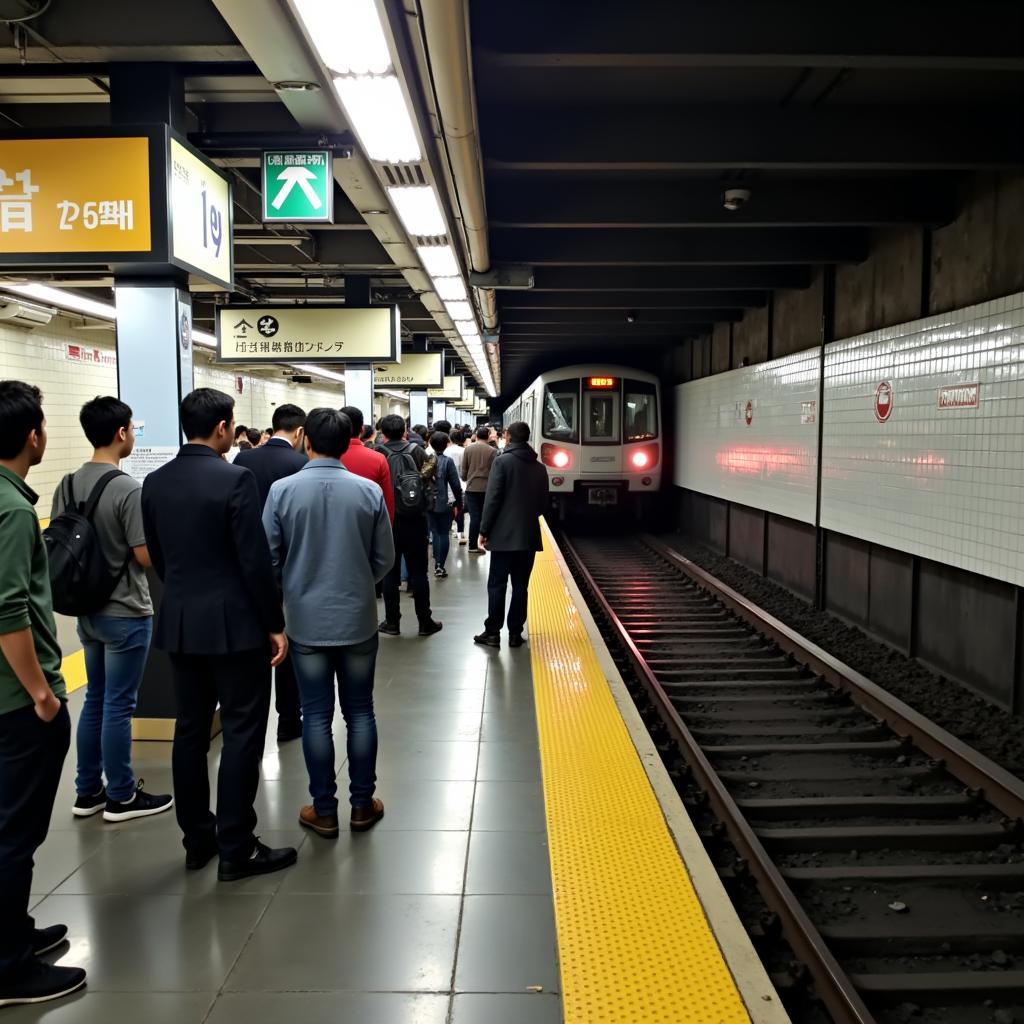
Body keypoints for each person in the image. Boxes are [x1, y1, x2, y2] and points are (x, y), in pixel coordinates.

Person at [141, 388, 296, 882]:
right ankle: (237, 846)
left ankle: (197, 841)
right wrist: (274, 623)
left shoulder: (154, 481)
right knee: (242, 731)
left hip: (181, 623)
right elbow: (253, 560)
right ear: (224, 427)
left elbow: (160, 557)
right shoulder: (236, 479)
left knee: (189, 733)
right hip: (235, 627)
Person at [263, 409, 394, 837]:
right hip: (357, 621)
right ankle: (361, 805)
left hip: (304, 623)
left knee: (316, 715)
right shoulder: (368, 492)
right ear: (349, 440)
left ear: (306, 440)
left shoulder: (282, 492)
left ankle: (323, 809)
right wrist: (358, 583)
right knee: (360, 712)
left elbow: (269, 558)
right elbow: (385, 558)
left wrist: (294, 588)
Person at [0, 381, 87, 1008]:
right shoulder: (9, 509)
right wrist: (42, 693)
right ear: (34, 435)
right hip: (16, 703)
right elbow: (8, 612)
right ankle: (9, 968)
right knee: (15, 831)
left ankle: (16, 934)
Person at [51, 396, 172, 822]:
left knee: (96, 699)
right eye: (133, 430)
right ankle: (121, 794)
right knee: (121, 704)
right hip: (125, 611)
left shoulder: (66, 484)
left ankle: (88, 792)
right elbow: (142, 556)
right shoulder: (126, 488)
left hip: (86, 611)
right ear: (121, 434)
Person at [234, 404, 308, 742]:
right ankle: (289, 720)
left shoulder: (243, 460)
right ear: (299, 432)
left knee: (257, 642)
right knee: (287, 643)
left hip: (248, 566)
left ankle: (252, 720)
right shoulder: (299, 464)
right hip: (290, 566)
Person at [474, 421, 549, 650]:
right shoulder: (539, 468)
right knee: (520, 586)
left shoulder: (502, 462)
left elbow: (493, 499)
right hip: (527, 536)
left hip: (503, 537)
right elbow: (543, 505)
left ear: (508, 437)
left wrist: (484, 530)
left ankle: (493, 632)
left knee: (496, 584)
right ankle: (516, 633)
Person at [375, 414, 442, 637]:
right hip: (416, 519)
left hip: (388, 521)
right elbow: (431, 476)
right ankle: (425, 622)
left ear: (383, 433)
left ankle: (392, 622)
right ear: (404, 430)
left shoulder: (378, 453)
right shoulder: (417, 450)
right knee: (419, 573)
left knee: (390, 574)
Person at [340, 406, 394, 521]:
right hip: (369, 525)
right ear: (362, 430)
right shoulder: (378, 459)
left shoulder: (327, 456)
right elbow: (387, 501)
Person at [426, 431, 462, 579]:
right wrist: (458, 503)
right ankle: (440, 565)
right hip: (444, 502)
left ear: (431, 444)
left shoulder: (426, 460)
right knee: (443, 533)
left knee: (434, 533)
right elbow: (455, 484)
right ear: (447, 444)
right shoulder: (447, 461)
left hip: (428, 502)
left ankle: (437, 561)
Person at [460, 424, 498, 553]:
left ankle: (472, 546)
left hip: (471, 488)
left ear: (476, 436)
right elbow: (495, 471)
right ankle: (485, 542)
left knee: (474, 518)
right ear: (487, 436)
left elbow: (463, 471)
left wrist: (466, 478)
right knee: (485, 516)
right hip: (487, 489)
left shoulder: (468, 450)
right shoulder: (493, 451)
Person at [446, 429, 467, 545]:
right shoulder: (463, 451)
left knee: (449, 507)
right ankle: (461, 532)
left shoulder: (446, 451)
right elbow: (464, 469)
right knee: (460, 508)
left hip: (448, 483)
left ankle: (449, 528)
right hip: (461, 482)